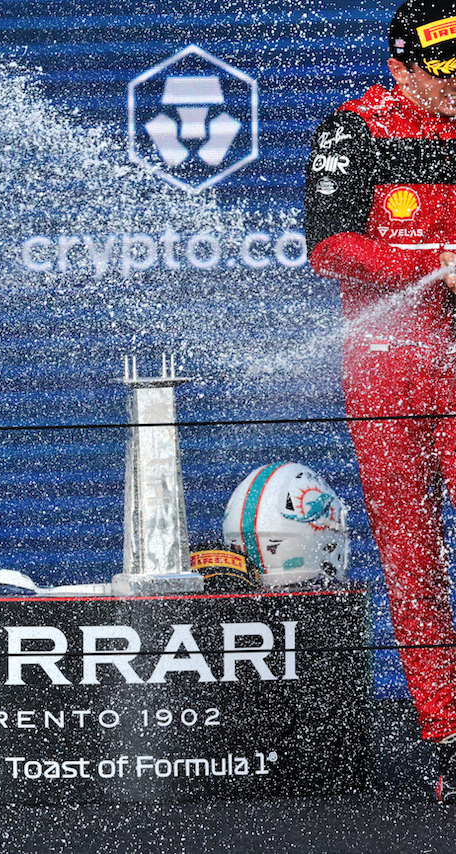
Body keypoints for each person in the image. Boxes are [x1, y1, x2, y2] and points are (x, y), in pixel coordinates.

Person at [304, 0, 456, 801]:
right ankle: (446, 737)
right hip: (387, 371)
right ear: (400, 64)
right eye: (443, 73)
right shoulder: (352, 129)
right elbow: (329, 243)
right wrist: (430, 260)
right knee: (413, 562)